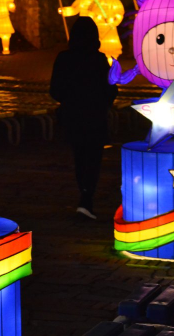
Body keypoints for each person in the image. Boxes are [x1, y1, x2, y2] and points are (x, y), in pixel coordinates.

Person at [50, 17, 118, 220]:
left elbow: (55, 91)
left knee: (79, 158)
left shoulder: (63, 58)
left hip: (73, 116)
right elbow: (111, 89)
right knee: (93, 159)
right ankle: (87, 198)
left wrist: (69, 98)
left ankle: (84, 196)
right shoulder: (98, 60)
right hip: (95, 117)